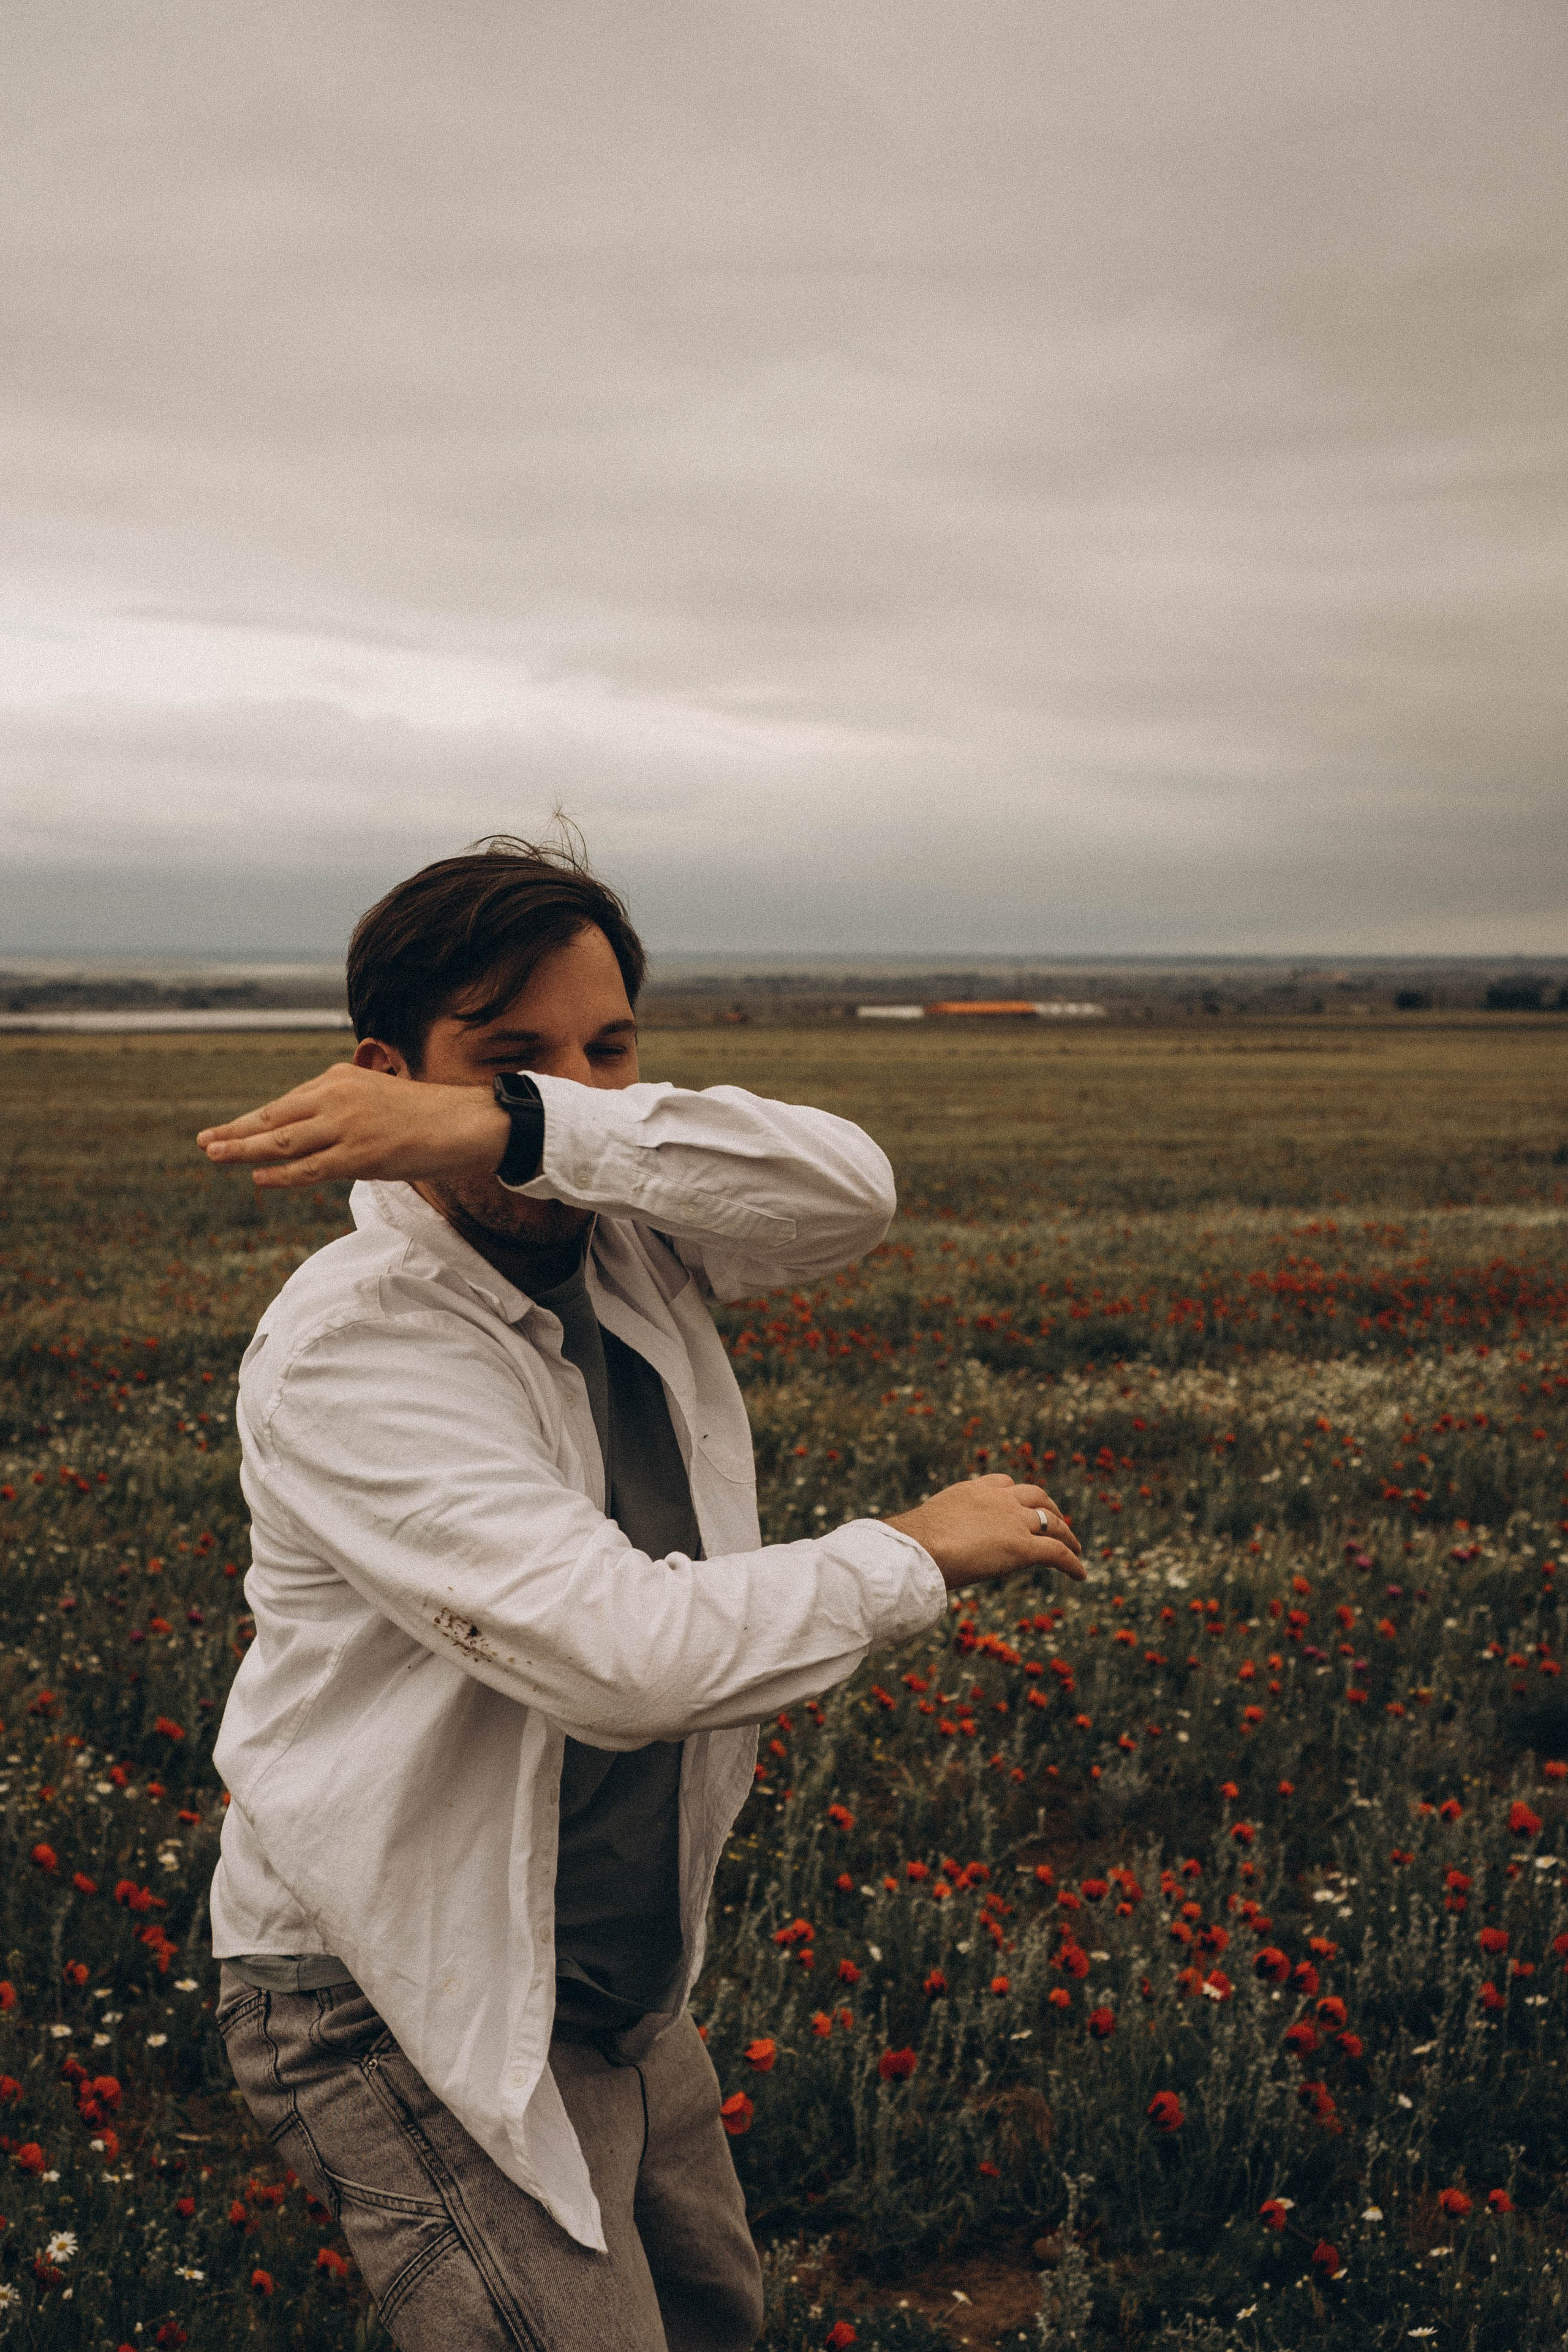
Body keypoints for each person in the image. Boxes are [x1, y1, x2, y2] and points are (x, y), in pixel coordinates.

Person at [196, 837, 1083, 2352]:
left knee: (710, 2324)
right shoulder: (358, 1348)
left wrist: (526, 1121)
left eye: (609, 1049)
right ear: (382, 1069)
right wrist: (908, 1552)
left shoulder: (620, 1241)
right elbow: (624, 1660)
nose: (577, 1086)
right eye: (506, 1053)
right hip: (401, 1980)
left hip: (607, 1983)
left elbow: (845, 1195)